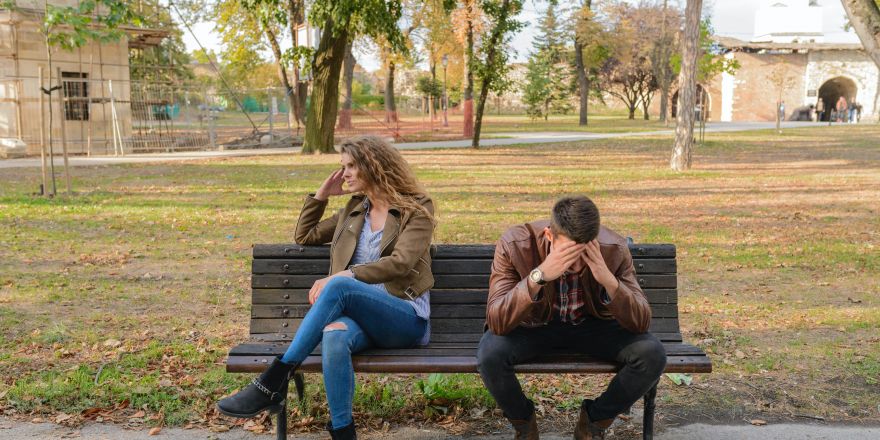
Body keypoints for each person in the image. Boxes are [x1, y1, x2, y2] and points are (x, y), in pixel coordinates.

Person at [217, 136, 436, 440]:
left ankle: (274, 379)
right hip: (362, 320)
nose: (344, 173)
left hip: (404, 317)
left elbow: (401, 263)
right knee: (334, 335)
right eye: (342, 166)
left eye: (350, 166)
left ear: (373, 165)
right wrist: (321, 196)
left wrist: (343, 275)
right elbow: (305, 236)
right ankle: (343, 432)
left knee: (340, 287)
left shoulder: (417, 207)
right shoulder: (354, 210)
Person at [477, 196, 665, 440]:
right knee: (490, 354)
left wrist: (607, 278)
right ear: (549, 236)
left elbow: (640, 322)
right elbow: (497, 321)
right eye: (567, 253)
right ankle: (524, 425)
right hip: (535, 326)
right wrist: (539, 276)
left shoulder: (614, 249)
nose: (575, 263)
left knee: (652, 354)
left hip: (592, 326)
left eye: (584, 252)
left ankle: (593, 423)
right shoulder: (515, 244)